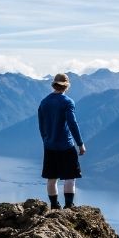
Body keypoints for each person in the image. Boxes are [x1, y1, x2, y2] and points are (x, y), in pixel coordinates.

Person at [38, 73, 86, 209]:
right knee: (70, 177)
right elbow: (72, 123)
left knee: (51, 178)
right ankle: (69, 206)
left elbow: (41, 125)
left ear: (54, 84)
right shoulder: (67, 102)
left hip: (49, 146)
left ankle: (54, 206)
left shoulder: (44, 102)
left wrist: (46, 140)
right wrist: (80, 143)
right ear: (67, 86)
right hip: (66, 146)